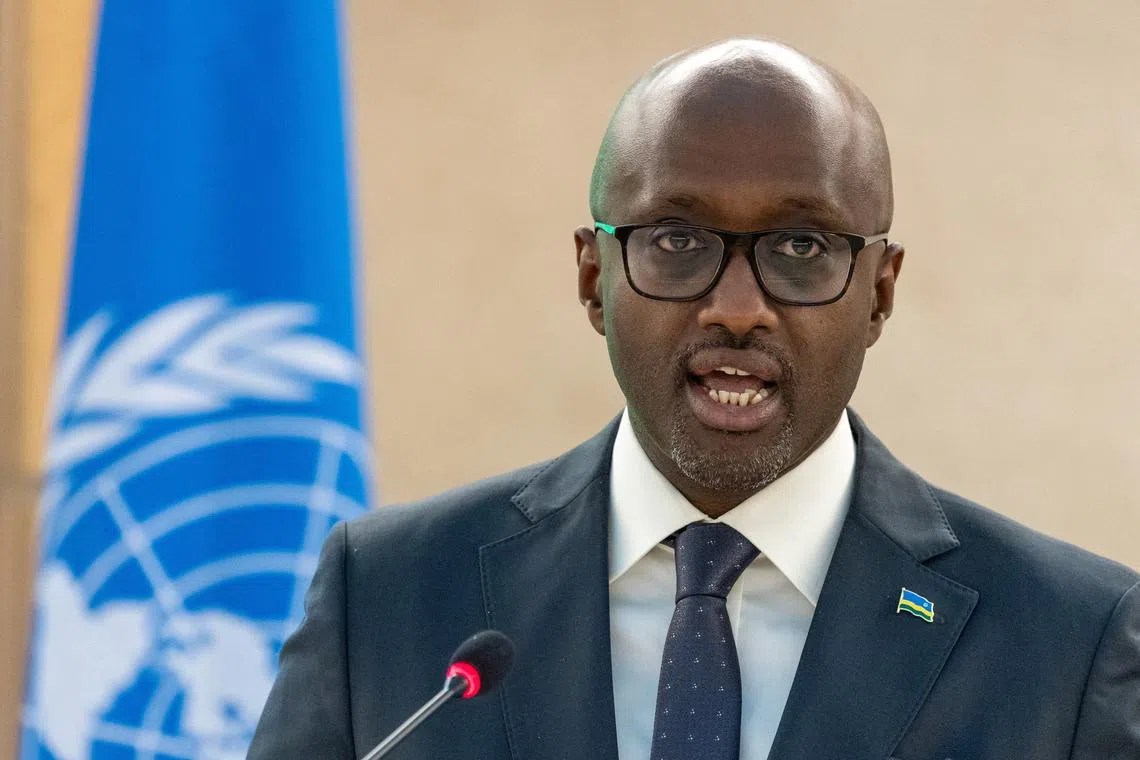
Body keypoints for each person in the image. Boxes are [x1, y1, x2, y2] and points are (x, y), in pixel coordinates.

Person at [248, 39, 1140, 760]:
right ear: (594, 278)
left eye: (801, 247)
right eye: (675, 238)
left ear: (880, 293)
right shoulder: (391, 599)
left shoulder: (1068, 643)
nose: (738, 308)